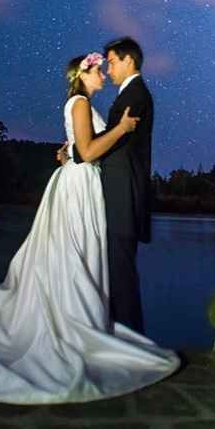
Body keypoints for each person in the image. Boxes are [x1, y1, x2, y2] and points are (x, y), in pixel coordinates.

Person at [0, 51, 179, 405]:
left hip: (83, 184)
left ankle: (80, 321)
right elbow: (89, 151)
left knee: (77, 257)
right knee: (73, 256)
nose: (104, 75)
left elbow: (80, 149)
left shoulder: (82, 104)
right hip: (79, 187)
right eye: (98, 71)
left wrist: (71, 151)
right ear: (83, 74)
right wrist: (120, 129)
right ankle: (71, 329)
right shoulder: (79, 103)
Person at [68, 36, 153, 334]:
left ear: (129, 60)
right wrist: (76, 149)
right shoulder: (129, 94)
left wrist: (77, 151)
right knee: (116, 269)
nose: (109, 70)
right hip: (116, 191)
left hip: (122, 193)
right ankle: (120, 336)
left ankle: (130, 341)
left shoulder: (135, 95)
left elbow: (112, 143)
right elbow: (105, 141)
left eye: (113, 62)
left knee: (121, 271)